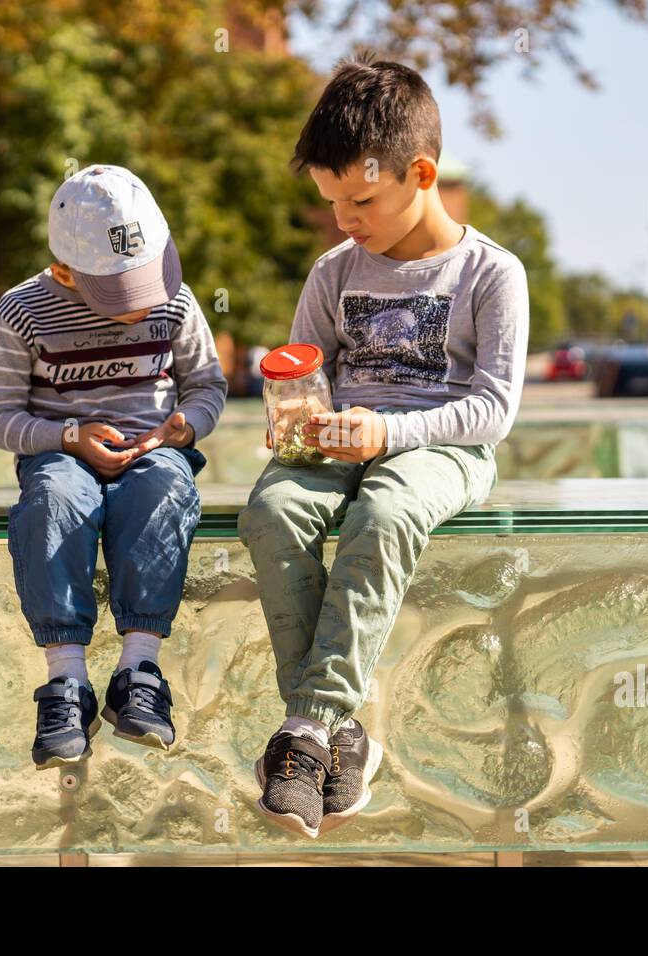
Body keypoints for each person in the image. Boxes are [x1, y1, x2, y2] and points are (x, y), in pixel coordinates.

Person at [237, 56, 530, 838]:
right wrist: (297, 418)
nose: (344, 220)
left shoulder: (491, 274)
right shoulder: (333, 273)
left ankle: (305, 728)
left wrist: (390, 432)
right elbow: (307, 373)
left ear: (421, 172)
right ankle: (342, 735)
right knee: (270, 512)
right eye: (332, 202)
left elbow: (494, 410)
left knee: (386, 514)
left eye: (361, 200)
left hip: (441, 444)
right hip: (341, 442)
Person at [0, 164, 227, 769]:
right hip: (64, 456)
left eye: (144, 283)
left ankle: (138, 670)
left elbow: (207, 386)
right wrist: (67, 436)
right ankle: (66, 682)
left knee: (165, 487)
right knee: (54, 502)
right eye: (120, 294)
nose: (141, 306)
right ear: (64, 269)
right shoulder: (24, 312)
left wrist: (182, 427)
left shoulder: (177, 302)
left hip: (154, 449)